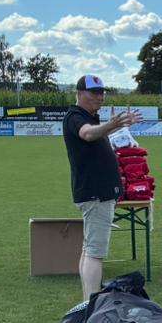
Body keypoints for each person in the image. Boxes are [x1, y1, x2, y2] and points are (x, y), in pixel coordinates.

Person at [62, 75, 142, 301]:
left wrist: (117, 128)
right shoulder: (75, 117)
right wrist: (113, 124)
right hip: (95, 193)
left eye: (102, 92)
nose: (100, 97)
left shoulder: (89, 117)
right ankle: (92, 305)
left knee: (89, 250)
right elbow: (87, 134)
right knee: (95, 254)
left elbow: (95, 134)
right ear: (79, 93)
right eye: (94, 92)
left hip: (98, 193)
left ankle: (88, 302)